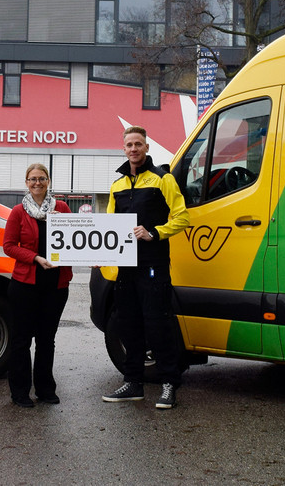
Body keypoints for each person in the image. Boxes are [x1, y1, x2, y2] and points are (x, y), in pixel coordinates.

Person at [102, 126, 189, 409]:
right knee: (128, 325)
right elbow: (108, 228)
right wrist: (97, 252)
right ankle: (133, 383)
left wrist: (155, 232)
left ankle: (168, 384)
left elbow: (182, 217)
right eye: (129, 144)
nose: (133, 149)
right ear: (123, 148)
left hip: (153, 264)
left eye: (138, 144)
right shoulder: (116, 186)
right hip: (125, 268)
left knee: (158, 324)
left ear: (146, 147)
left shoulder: (163, 179)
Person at [2, 163, 73, 408]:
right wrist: (34, 258)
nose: (37, 183)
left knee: (46, 339)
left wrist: (94, 257)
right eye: (32, 179)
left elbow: (76, 241)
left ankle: (45, 389)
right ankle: (20, 392)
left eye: (42, 178)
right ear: (26, 182)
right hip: (24, 286)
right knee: (21, 340)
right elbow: (9, 246)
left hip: (56, 286)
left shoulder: (62, 208)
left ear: (48, 181)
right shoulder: (18, 212)